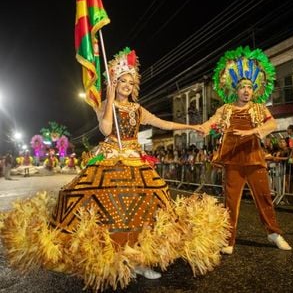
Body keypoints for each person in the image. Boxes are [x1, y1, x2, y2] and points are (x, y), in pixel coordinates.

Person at [0, 47, 229, 291]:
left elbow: (164, 122)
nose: (127, 85)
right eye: (122, 80)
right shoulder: (104, 106)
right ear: (114, 82)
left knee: (146, 209)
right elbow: (107, 130)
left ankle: (142, 259)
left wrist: (192, 127)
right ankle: (108, 259)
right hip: (109, 159)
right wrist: (109, 100)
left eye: (131, 81)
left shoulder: (138, 110)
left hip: (135, 161)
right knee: (110, 211)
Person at [199, 46, 292, 254]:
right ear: (236, 89)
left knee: (264, 197)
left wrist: (253, 132)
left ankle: (274, 233)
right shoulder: (226, 109)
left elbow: (272, 125)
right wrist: (203, 128)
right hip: (232, 160)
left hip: (254, 158)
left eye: (250, 87)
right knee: (231, 201)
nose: (247, 91)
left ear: (254, 88)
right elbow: (212, 122)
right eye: (243, 87)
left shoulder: (259, 108)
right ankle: (228, 239)